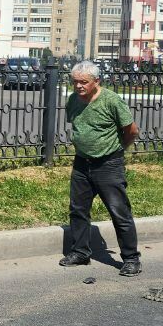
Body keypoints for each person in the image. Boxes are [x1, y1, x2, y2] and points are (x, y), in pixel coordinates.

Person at [60, 61, 143, 276]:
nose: (78, 86)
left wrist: (118, 149)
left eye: (83, 82)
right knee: (78, 210)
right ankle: (80, 252)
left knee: (119, 211)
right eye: (75, 82)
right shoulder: (73, 100)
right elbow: (78, 125)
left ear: (96, 81)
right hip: (82, 163)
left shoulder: (111, 100)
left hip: (108, 165)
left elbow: (132, 131)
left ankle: (131, 259)